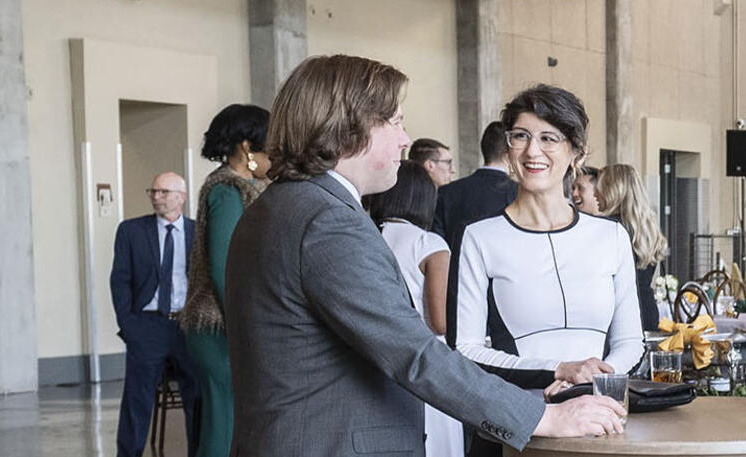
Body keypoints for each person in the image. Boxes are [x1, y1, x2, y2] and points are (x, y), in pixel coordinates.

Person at [224, 54, 623, 455]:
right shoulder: (327, 220)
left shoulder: (281, 206)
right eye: (396, 121)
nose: (404, 139)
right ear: (349, 126)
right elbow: (414, 353)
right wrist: (542, 417)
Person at [453, 83, 641, 389]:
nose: (532, 151)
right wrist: (559, 370)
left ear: (576, 153)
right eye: (520, 136)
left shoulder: (611, 236)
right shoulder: (479, 238)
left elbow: (631, 340)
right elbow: (466, 349)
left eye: (548, 138)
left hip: (600, 415)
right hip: (519, 420)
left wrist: (593, 379)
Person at [178, 104, 268, 457]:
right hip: (219, 325)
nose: (274, 152)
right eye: (268, 144)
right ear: (247, 147)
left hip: (232, 321)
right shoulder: (227, 190)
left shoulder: (249, 186)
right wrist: (245, 324)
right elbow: (224, 266)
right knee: (225, 422)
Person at [363, 161, 462, 457]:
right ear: (424, 198)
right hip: (426, 364)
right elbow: (440, 323)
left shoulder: (366, 237)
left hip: (377, 362)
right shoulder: (428, 244)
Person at [110, 172, 201, 457]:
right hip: (147, 325)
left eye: (163, 192)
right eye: (153, 191)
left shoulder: (198, 232)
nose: (156, 197)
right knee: (137, 399)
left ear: (181, 197)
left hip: (188, 325)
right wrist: (128, 325)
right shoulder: (131, 231)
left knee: (197, 397)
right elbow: (120, 280)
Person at [433, 121, 517, 348]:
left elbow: (438, 245)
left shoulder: (447, 193)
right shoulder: (517, 193)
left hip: (458, 297)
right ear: (508, 152)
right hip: (508, 305)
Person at [595, 163, 668, 331]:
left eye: (599, 187)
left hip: (619, 316)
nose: (595, 193)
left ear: (613, 190)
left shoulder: (609, 229)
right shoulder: (648, 228)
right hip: (648, 310)